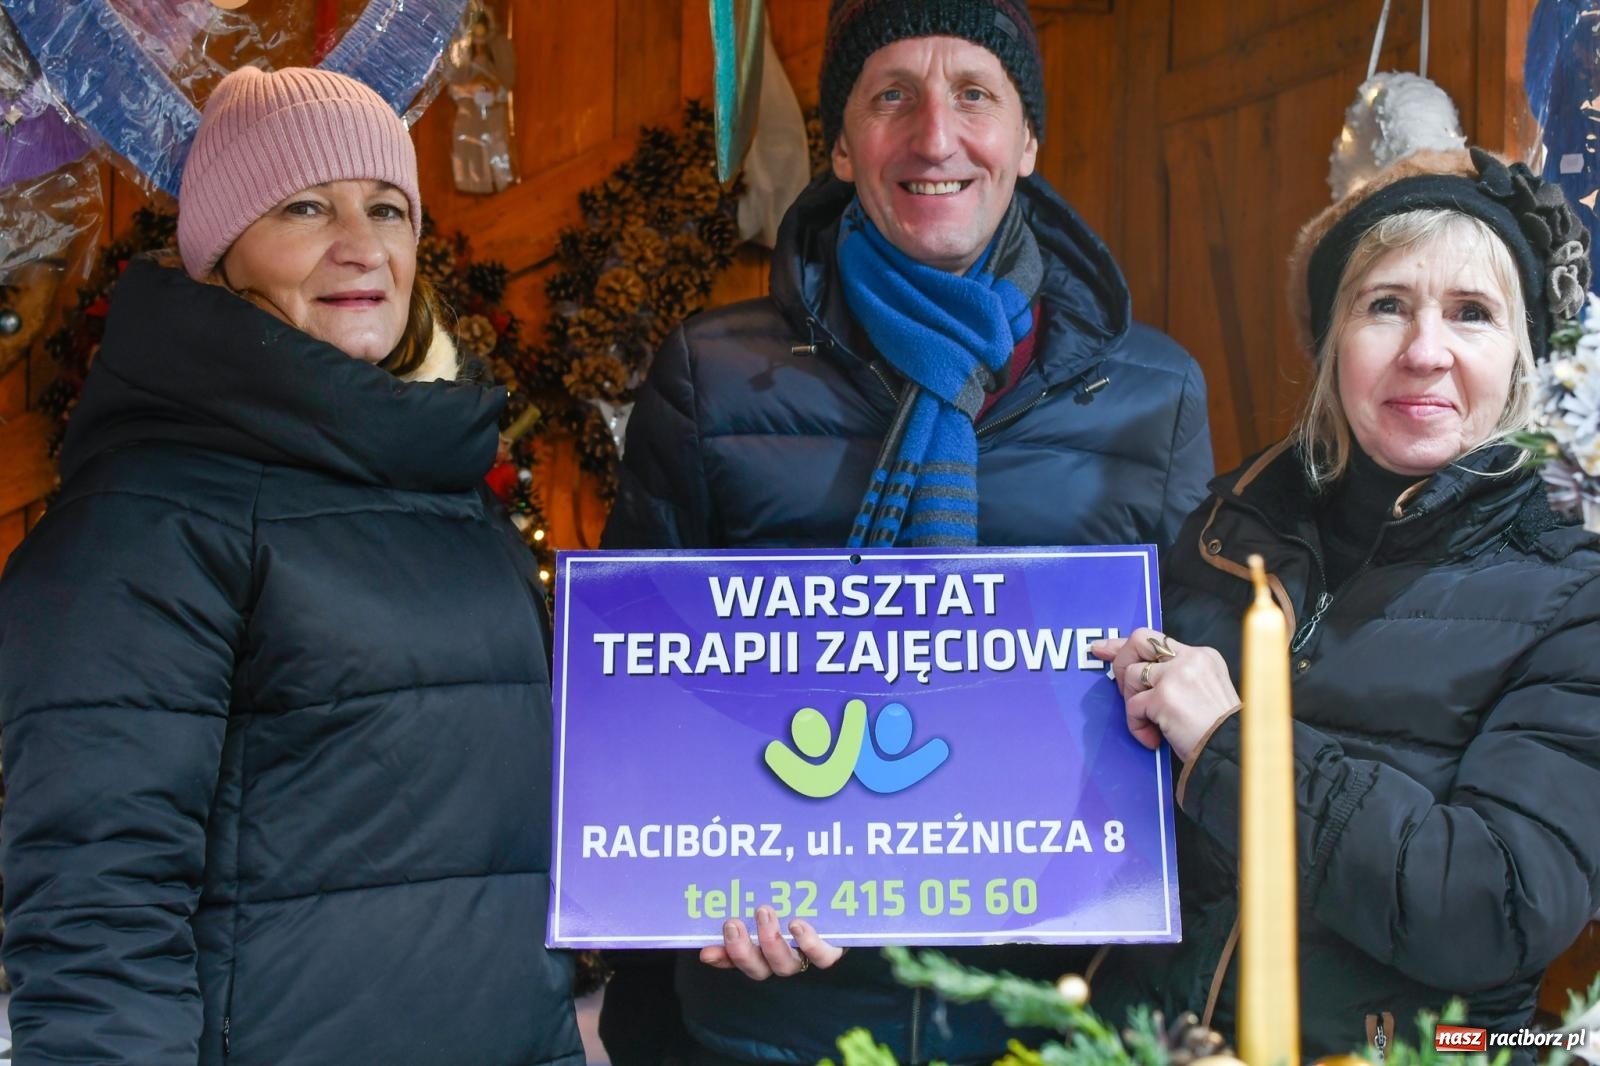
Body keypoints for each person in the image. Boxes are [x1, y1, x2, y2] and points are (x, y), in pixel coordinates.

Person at [600, 1, 1213, 1061]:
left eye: (975, 93)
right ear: (841, 143)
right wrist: (706, 882)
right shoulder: (712, 375)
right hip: (783, 1011)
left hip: (1045, 1004)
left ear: (1026, 138)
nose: (935, 136)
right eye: (892, 96)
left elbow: (1187, 705)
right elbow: (639, 692)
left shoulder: (1148, 393)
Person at [0, 67, 583, 1065]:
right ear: (223, 255)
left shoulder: (449, 492)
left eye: (387, 208)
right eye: (304, 207)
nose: (360, 245)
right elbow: (98, 914)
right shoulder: (146, 523)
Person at [1090, 147, 1600, 1060]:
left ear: (1522, 358)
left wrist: (1232, 746)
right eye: (1386, 305)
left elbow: (1494, 904)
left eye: (1472, 314)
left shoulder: (1578, 589)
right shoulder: (1222, 528)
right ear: (1332, 345)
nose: (1424, 350)